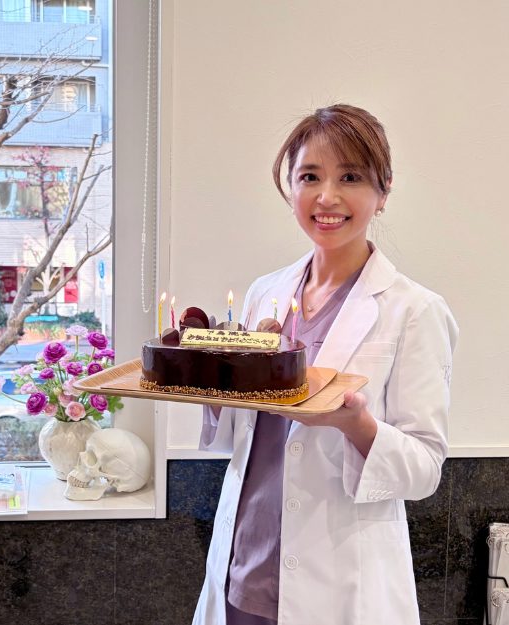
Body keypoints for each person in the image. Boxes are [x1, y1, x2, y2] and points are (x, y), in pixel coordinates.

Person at [193, 104, 459, 625]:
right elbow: (240, 436)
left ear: (383, 191)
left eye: (350, 177)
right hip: (243, 563)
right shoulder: (265, 293)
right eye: (310, 177)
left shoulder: (414, 310)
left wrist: (356, 423)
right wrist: (209, 385)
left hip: (340, 580)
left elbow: (425, 468)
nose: (327, 197)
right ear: (290, 187)